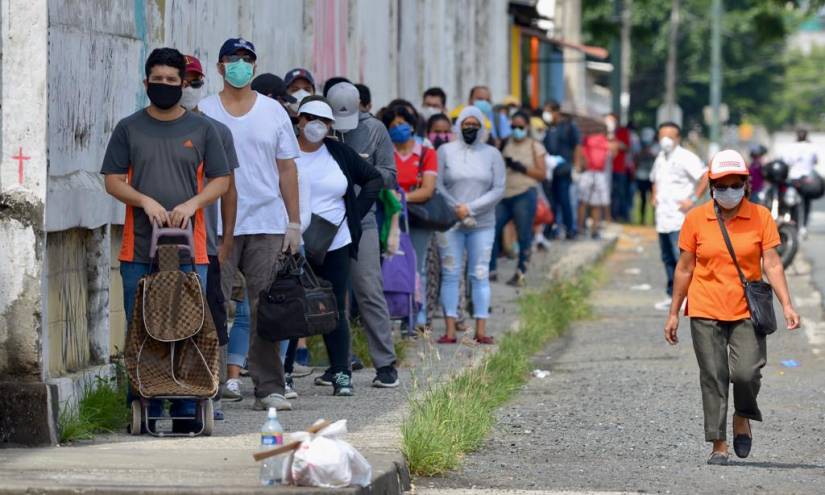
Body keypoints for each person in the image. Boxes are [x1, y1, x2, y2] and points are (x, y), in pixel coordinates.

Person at [101, 48, 230, 432]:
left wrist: (192, 204)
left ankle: (189, 408)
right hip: (138, 248)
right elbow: (112, 179)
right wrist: (145, 201)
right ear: (146, 83)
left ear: (183, 84)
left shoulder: (203, 130)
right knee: (141, 327)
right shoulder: (129, 128)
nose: (164, 86)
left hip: (191, 249)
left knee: (192, 327)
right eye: (157, 80)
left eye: (172, 81)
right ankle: (142, 403)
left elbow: (221, 181)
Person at [664, 149, 801, 465]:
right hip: (704, 306)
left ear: (746, 184)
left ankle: (743, 416)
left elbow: (773, 264)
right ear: (711, 185)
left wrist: (788, 305)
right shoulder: (696, 219)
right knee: (713, 375)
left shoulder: (761, 217)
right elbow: (684, 268)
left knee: (746, 373)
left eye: (734, 183)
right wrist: (673, 312)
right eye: (722, 184)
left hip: (745, 310)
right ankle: (719, 444)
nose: (729, 190)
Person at [199, 37, 302, 411]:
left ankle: (269, 387)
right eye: (233, 59)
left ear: (254, 67)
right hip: (217, 226)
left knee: (266, 308)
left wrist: (294, 222)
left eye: (247, 59)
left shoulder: (273, 111)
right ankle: (209, 385)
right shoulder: (205, 111)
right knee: (214, 306)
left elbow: (287, 168)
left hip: (266, 222)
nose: (240, 64)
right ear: (220, 67)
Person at [292, 96, 383, 396]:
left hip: (336, 240)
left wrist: (354, 211)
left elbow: (373, 179)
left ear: (331, 125)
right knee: (291, 304)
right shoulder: (286, 152)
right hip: (294, 241)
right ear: (299, 120)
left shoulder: (339, 152)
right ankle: (285, 373)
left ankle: (341, 373)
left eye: (323, 121)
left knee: (334, 306)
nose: (315, 126)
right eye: (309, 118)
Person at [324, 79, 400, 388]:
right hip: (323, 223)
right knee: (329, 296)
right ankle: (339, 364)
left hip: (362, 221)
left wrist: (361, 171)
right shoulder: (317, 129)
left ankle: (385, 363)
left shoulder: (375, 130)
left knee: (368, 289)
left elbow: (391, 176)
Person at [180, 54, 241, 416]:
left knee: (210, 316)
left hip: (205, 240)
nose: (187, 88)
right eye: (180, 80)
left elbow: (228, 187)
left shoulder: (217, 132)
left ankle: (207, 390)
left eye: (193, 81)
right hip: (157, 242)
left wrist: (227, 236)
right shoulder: (146, 128)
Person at [435, 106, 505, 345]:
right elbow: (438, 185)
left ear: (483, 127)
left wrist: (471, 208)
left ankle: (481, 330)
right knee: (451, 273)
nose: (470, 129)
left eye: (475, 125)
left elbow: (498, 189)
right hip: (450, 223)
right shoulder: (445, 151)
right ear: (459, 126)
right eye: (466, 124)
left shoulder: (493, 154)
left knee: (480, 273)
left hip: (483, 223)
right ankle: (450, 331)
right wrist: (457, 208)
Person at [381, 105, 438, 330]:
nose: (398, 129)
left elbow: (428, 190)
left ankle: (417, 316)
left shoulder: (426, 152)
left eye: (402, 124)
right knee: (390, 263)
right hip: (389, 218)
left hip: (417, 218)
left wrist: (401, 197)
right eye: (393, 125)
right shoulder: (385, 151)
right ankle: (394, 311)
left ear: (412, 125)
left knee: (417, 265)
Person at [650, 122, 707, 312]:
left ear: (678, 138)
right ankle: (671, 295)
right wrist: (655, 195)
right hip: (663, 218)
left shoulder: (686, 157)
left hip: (680, 219)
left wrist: (692, 199)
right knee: (667, 258)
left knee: (682, 260)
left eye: (670, 136)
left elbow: (705, 176)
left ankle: (689, 297)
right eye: (662, 136)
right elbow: (655, 179)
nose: (665, 140)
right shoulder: (660, 158)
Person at [491, 111, 547, 286]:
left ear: (527, 127)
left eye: (520, 127)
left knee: (524, 235)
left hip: (524, 193)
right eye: (513, 126)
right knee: (492, 229)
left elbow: (542, 174)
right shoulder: (506, 143)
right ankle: (491, 270)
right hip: (504, 195)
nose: (516, 130)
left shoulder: (535, 146)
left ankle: (520, 272)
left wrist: (521, 167)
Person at [541, 100, 580, 240]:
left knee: (565, 201)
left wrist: (576, 166)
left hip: (564, 170)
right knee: (551, 202)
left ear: (556, 112)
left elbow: (577, 147)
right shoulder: (547, 129)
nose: (546, 115)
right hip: (549, 171)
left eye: (549, 111)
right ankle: (551, 229)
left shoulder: (569, 127)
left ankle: (570, 229)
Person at [782, 129, 818, 236]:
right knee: (806, 203)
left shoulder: (792, 146)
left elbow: (787, 161)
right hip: (807, 179)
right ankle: (804, 227)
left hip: (794, 179)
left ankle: (794, 224)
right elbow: (815, 161)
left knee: (792, 202)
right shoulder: (811, 147)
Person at [577, 130, 612, 238]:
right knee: (590, 203)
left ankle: (585, 229)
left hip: (592, 172)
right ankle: (588, 229)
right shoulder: (598, 140)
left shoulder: (591, 140)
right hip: (594, 172)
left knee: (588, 203)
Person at [607, 113, 632, 223]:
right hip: (605, 169)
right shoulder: (604, 132)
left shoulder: (623, 132)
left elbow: (627, 147)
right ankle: (608, 216)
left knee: (618, 193)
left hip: (619, 168)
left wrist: (615, 143)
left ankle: (616, 215)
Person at [634, 127, 658, 225]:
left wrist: (649, 151)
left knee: (654, 198)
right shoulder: (638, 146)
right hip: (641, 175)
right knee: (643, 199)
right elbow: (636, 158)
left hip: (653, 177)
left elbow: (655, 155)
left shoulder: (656, 146)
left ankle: (654, 220)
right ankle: (642, 219)